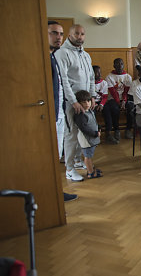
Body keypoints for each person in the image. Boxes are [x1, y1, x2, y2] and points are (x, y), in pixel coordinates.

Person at [56, 24, 95, 182]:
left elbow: (91, 77)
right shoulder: (62, 53)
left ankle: (78, 161)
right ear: (69, 35)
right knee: (71, 135)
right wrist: (73, 101)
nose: (80, 37)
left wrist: (92, 97)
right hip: (71, 103)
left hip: (84, 102)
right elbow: (63, 80)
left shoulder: (85, 55)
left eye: (82, 34)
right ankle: (69, 169)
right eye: (77, 34)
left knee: (82, 133)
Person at [47, 20, 78, 201]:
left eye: (60, 33)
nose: (58, 37)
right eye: (53, 33)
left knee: (57, 153)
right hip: (49, 114)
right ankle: (51, 195)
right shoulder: (43, 57)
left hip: (59, 111)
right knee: (51, 156)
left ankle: (56, 192)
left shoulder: (54, 56)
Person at [73, 90, 102, 179]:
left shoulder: (89, 111)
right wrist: (95, 133)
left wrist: (98, 128)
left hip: (92, 138)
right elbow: (84, 128)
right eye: (84, 102)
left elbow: (93, 122)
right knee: (87, 156)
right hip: (87, 140)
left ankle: (91, 169)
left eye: (88, 101)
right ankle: (90, 173)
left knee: (89, 155)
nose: (87, 104)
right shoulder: (80, 115)